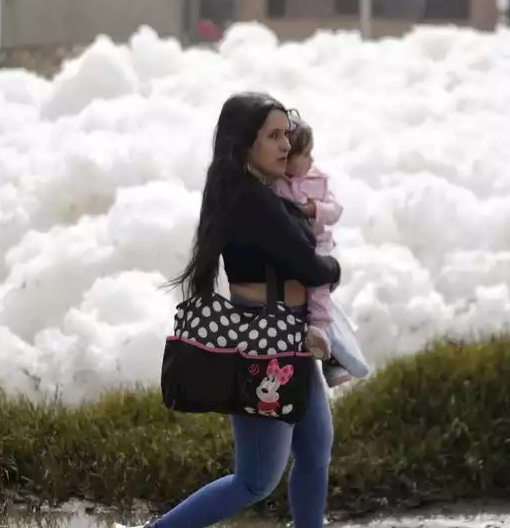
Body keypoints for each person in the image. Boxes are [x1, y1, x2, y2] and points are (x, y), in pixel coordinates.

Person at [140, 91, 343, 528]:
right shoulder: (252, 200)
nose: (286, 145)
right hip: (265, 342)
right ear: (244, 143)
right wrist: (334, 268)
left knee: (314, 450)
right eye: (273, 136)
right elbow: (307, 264)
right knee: (254, 480)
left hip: (289, 334)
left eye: (286, 134)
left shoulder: (261, 193)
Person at [271, 112, 369, 388]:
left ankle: (325, 343)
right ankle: (328, 345)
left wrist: (314, 209)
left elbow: (335, 210)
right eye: (306, 155)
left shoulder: (318, 179)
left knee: (318, 290)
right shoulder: (272, 182)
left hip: (319, 247)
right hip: (291, 254)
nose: (311, 160)